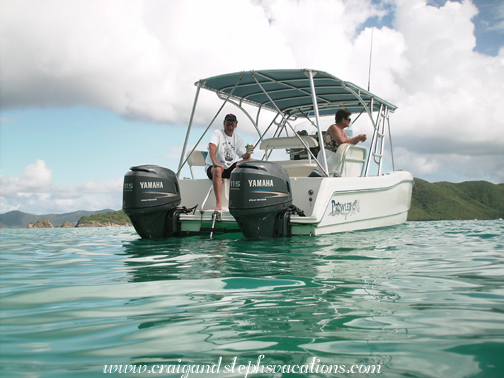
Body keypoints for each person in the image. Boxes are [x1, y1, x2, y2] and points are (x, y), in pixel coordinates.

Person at [205, 114, 253, 210]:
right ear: (224, 123)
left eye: (232, 121)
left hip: (228, 168)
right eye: (228, 121)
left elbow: (244, 156)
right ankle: (219, 203)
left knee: (249, 162)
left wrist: (249, 152)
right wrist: (215, 163)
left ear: (236, 124)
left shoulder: (237, 139)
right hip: (214, 168)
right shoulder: (217, 133)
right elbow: (212, 146)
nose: (230, 123)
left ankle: (246, 198)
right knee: (218, 169)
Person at [313, 109, 367, 176]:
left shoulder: (343, 131)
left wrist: (359, 139)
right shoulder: (333, 127)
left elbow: (348, 144)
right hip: (328, 155)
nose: (350, 122)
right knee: (326, 176)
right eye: (349, 120)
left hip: (336, 157)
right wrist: (358, 137)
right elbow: (342, 142)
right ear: (343, 120)